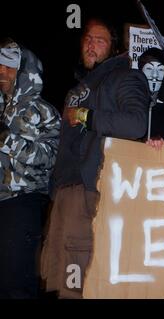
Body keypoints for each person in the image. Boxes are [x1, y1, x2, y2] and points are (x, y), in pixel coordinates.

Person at [41, 19, 150, 298]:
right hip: (65, 193)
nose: (91, 44)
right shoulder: (79, 88)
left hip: (91, 190)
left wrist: (89, 117)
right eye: (87, 39)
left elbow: (137, 123)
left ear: (114, 48)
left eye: (100, 40)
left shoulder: (124, 76)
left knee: (80, 283)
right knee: (60, 280)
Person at [0, 39, 61, 298]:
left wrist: (7, 140)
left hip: (22, 202)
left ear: (26, 71)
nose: (2, 72)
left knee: (15, 281)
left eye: (10, 67)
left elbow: (50, 158)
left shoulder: (43, 112)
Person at [138, 47, 164, 149]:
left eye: (160, 70)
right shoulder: (131, 101)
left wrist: (160, 140)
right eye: (149, 68)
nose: (155, 75)